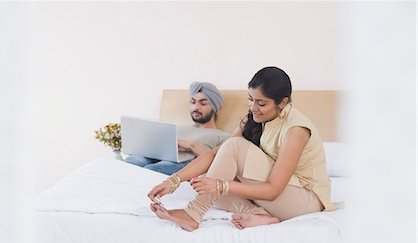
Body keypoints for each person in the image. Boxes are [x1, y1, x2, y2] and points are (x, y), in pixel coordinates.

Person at [147, 66, 337, 231]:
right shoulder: (255, 118)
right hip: (279, 197)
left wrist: (222, 185)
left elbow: (273, 190)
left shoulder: (296, 130)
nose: (253, 107)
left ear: (283, 103)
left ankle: (193, 214)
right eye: (250, 99)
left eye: (261, 103)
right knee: (209, 179)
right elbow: (216, 154)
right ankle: (260, 215)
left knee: (228, 161)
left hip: (304, 201)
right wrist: (173, 181)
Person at [124, 82, 230, 175]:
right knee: (131, 162)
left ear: (215, 107)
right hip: (155, 156)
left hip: (183, 163)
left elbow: (220, 161)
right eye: (193, 102)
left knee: (149, 171)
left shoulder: (222, 136)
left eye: (203, 103)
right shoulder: (176, 128)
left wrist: (190, 146)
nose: (196, 107)